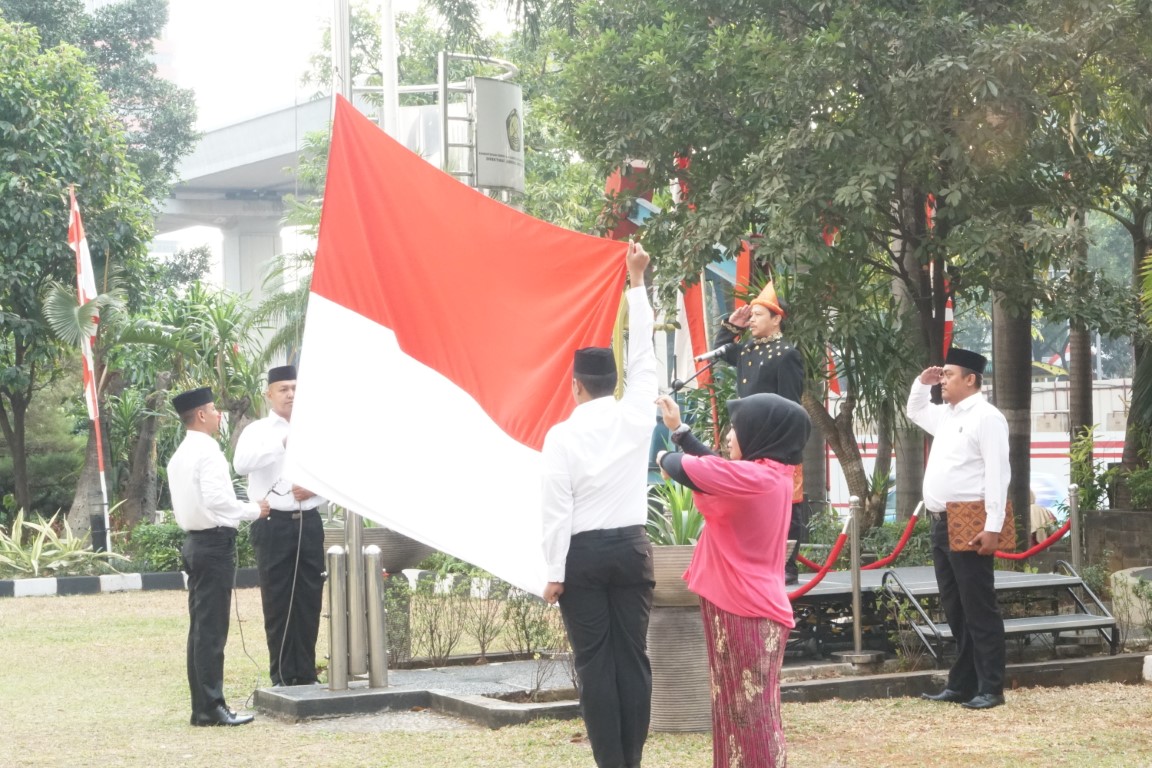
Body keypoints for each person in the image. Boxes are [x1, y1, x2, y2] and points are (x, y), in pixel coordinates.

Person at [540, 240, 657, 768]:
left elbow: (555, 509)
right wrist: (637, 282)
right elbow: (644, 355)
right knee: (633, 659)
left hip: (582, 557)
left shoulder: (562, 436)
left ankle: (611, 763)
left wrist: (552, 571)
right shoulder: (635, 415)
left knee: (595, 664)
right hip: (632, 549)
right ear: (614, 382)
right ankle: (632, 760)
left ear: (576, 387)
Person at [654, 392, 809, 768]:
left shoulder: (757, 477)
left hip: (746, 611)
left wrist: (663, 456)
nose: (728, 436)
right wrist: (680, 431)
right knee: (733, 711)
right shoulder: (768, 473)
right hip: (742, 607)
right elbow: (717, 470)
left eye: (737, 428)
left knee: (750, 718)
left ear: (761, 433)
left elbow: (682, 467)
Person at [907, 348, 1010, 710]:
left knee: (978, 606)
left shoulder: (987, 417)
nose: (943, 381)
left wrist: (993, 526)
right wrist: (922, 383)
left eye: (949, 375)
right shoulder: (947, 415)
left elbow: (998, 474)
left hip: (970, 520)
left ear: (971, 379)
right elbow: (915, 410)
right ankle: (963, 683)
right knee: (955, 607)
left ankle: (991, 686)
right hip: (941, 520)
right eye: (943, 375)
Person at [167, 386, 269, 726]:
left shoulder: (181, 453)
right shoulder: (207, 451)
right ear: (200, 415)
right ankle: (211, 706)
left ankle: (203, 707)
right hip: (212, 544)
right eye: (213, 409)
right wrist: (253, 510)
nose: (218, 414)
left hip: (196, 543)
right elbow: (217, 500)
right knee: (211, 630)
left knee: (201, 628)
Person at [233, 365, 326, 687]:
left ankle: (306, 673)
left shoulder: (317, 428)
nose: (291, 394)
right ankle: (283, 675)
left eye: (295, 388)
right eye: (284, 389)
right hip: (273, 523)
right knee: (278, 600)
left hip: (308, 521)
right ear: (269, 394)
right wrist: (283, 442)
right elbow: (241, 464)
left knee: (309, 598)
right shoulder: (258, 430)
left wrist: (316, 490)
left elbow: (334, 474)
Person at [712, 281, 808, 584]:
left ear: (776, 319)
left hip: (776, 441)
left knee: (788, 502)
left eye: (757, 315)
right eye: (750, 315)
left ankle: (787, 563)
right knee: (751, 503)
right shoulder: (748, 349)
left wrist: (786, 443)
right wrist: (732, 325)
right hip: (748, 440)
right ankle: (755, 558)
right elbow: (720, 350)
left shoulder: (787, 354)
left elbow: (790, 403)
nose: (751, 320)